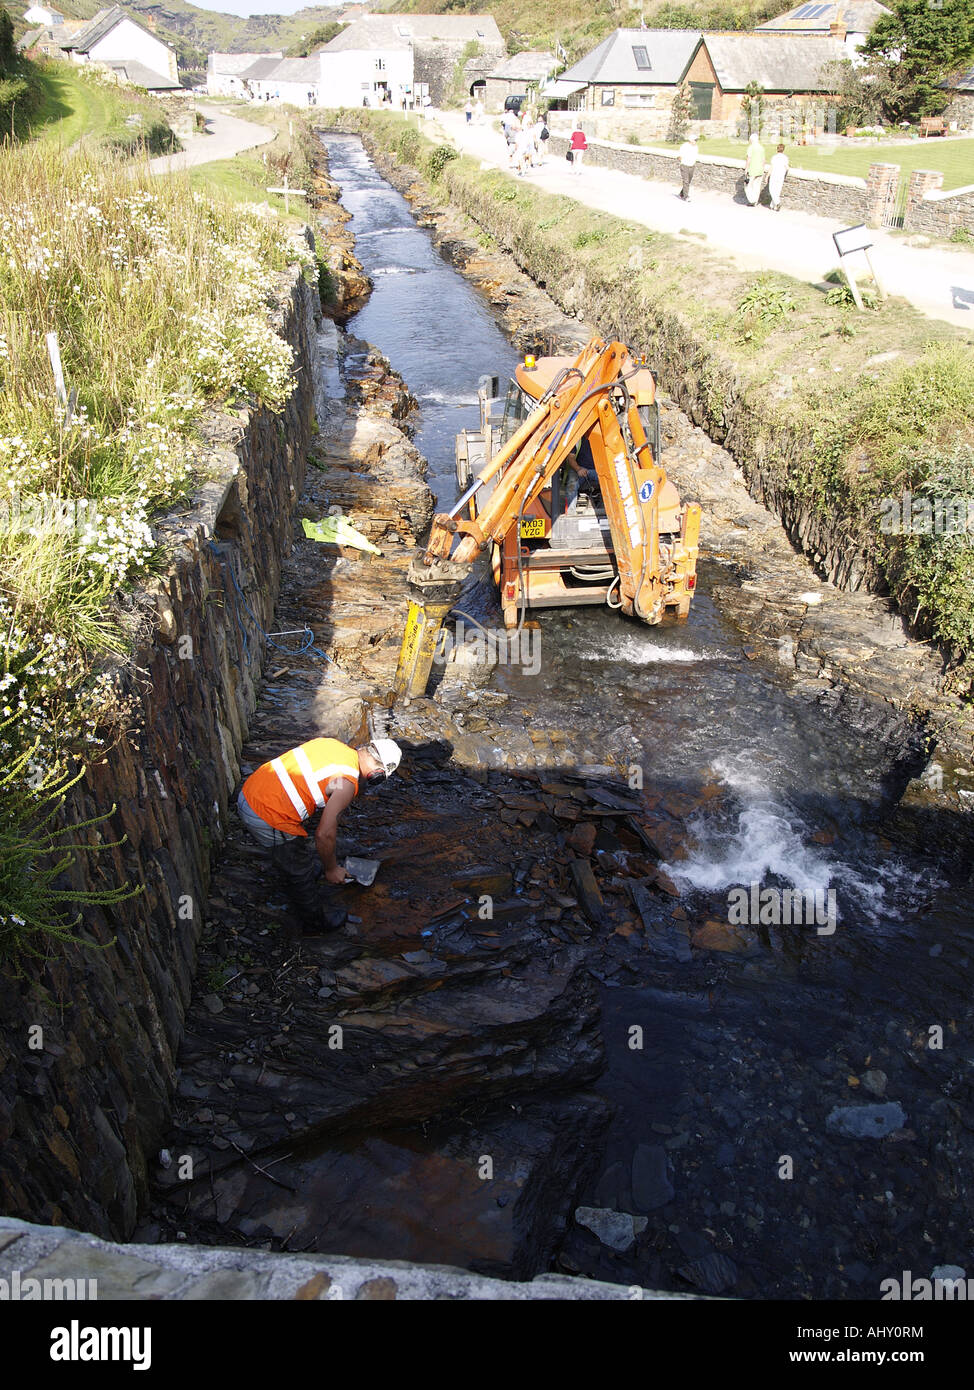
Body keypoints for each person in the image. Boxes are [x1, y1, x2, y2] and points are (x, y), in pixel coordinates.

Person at [237, 736, 402, 934]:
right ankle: (314, 922)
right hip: (265, 814)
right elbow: (324, 834)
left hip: (251, 790)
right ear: (378, 774)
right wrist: (331, 869)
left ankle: (311, 870)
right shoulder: (347, 783)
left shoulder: (333, 745)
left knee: (299, 848)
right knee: (298, 870)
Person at [744, 132, 765, 206]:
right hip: (760, 170)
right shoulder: (761, 148)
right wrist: (762, 168)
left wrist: (746, 169)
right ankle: (755, 200)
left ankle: (752, 200)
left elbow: (748, 159)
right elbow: (763, 160)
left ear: (751, 140)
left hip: (752, 169)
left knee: (747, 186)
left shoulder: (751, 147)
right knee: (757, 186)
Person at [768, 142, 789, 211]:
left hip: (774, 175)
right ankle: (773, 205)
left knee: (772, 189)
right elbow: (787, 168)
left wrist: (767, 176)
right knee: (777, 190)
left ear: (777, 149)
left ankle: (777, 202)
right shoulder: (785, 158)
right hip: (781, 176)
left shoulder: (774, 157)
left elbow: (771, 167)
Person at [678, 130, 698, 201]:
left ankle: (682, 193)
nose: (696, 141)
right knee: (686, 181)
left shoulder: (696, 147)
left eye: (696, 140)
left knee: (688, 181)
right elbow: (679, 156)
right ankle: (685, 197)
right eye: (695, 140)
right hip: (685, 165)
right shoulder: (684, 146)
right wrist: (683, 162)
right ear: (691, 140)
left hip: (692, 166)